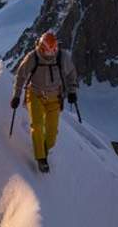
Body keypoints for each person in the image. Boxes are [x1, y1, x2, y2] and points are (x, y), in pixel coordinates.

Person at [11, 31, 78, 173]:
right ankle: (41, 159)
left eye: (53, 51)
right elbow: (20, 76)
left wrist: (72, 91)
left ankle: (44, 150)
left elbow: (71, 73)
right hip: (35, 95)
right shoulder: (33, 57)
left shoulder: (62, 57)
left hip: (55, 98)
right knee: (37, 125)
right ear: (41, 47)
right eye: (46, 51)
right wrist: (16, 96)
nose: (50, 54)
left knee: (52, 134)